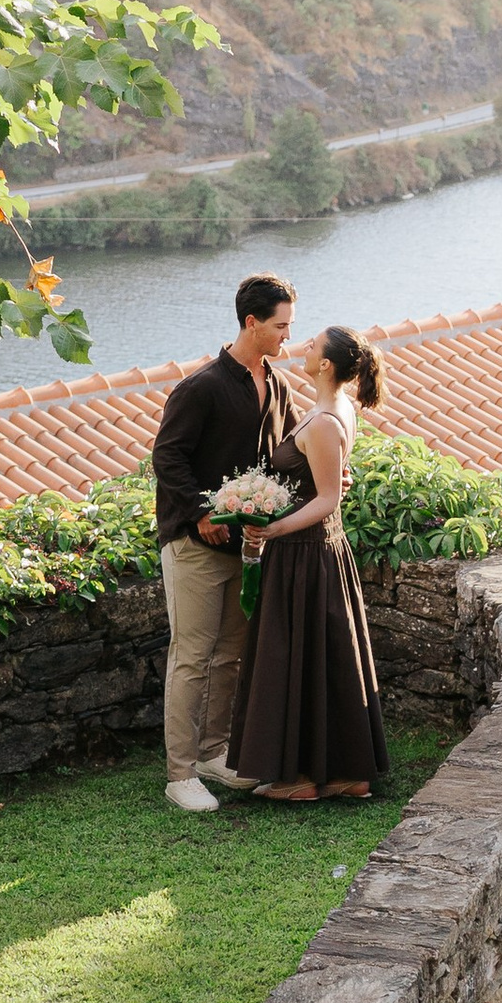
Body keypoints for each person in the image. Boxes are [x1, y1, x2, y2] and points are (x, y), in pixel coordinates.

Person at [229, 325, 394, 805]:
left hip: (305, 552)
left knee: (294, 658)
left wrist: (273, 529)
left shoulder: (324, 420)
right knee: (327, 658)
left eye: (312, 345)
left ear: (325, 365)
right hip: (319, 551)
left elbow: (326, 499)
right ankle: (345, 773)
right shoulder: (334, 409)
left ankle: (300, 777)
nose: (302, 346)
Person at [151, 272, 294, 815]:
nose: (287, 336)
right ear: (251, 322)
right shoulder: (201, 387)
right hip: (193, 546)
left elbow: (282, 457)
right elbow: (167, 458)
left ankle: (213, 755)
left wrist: (333, 476)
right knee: (190, 656)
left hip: (245, 547)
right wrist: (200, 511)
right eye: (280, 326)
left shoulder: (277, 384)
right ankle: (180, 774)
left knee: (230, 655)